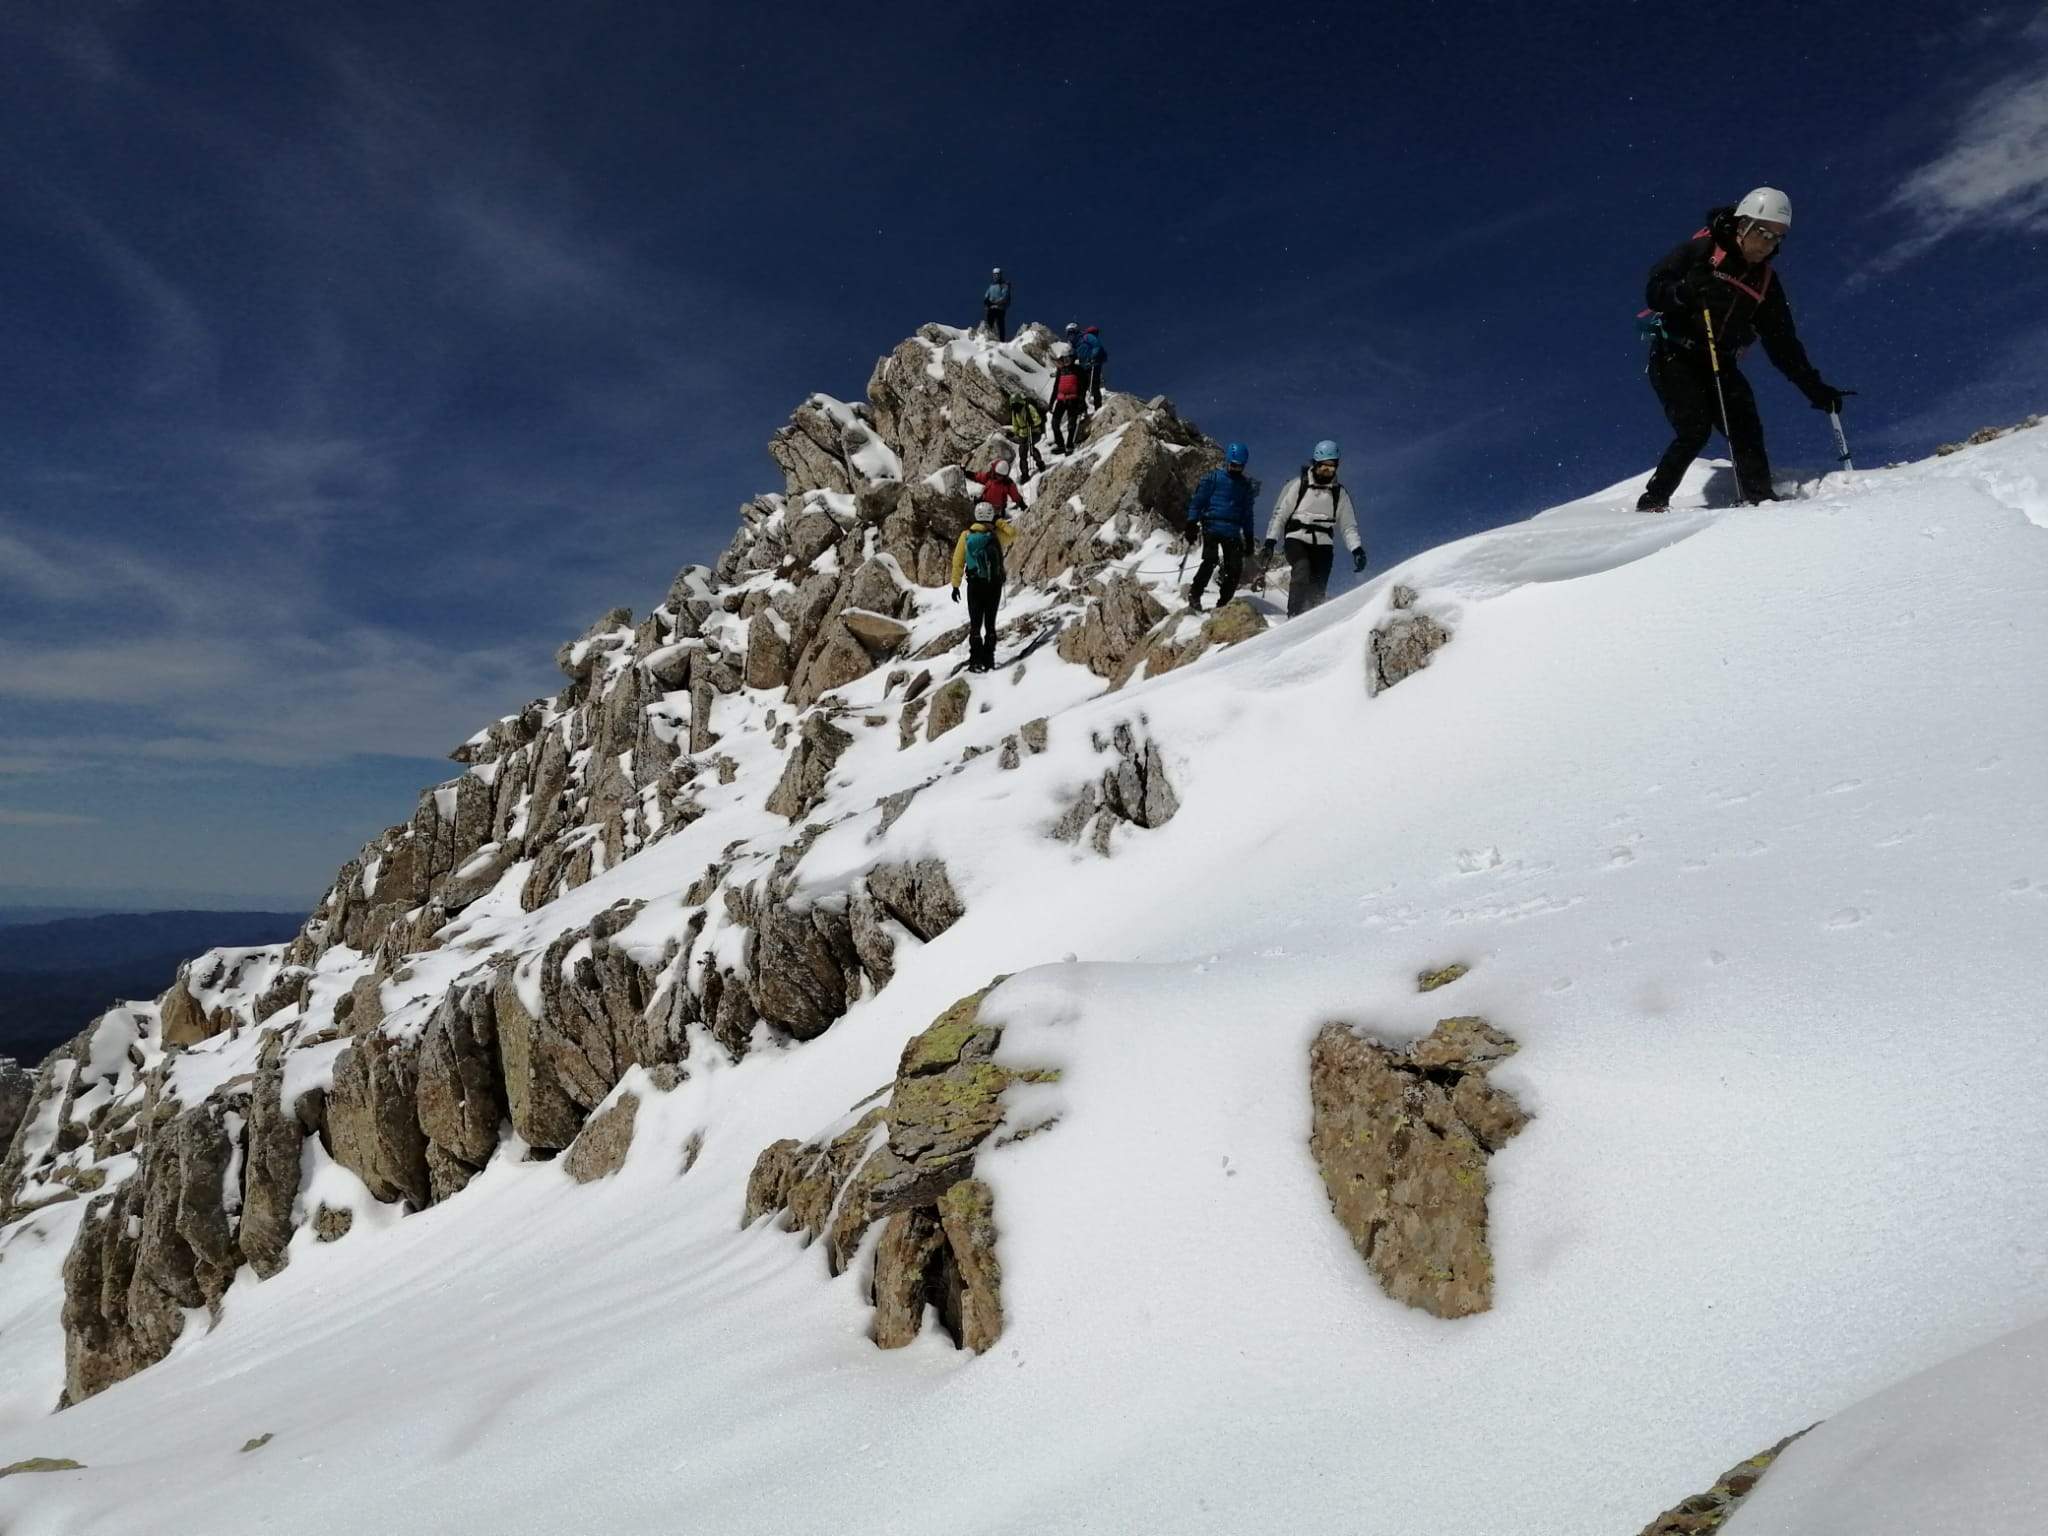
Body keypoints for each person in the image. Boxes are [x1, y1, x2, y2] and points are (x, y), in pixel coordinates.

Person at [1636, 187, 1851, 512]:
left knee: (1745, 426)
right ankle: (1653, 502)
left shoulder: (1764, 282)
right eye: (1764, 233)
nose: (1769, 245)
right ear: (1743, 225)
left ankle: (1758, 501)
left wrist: (1815, 388)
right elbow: (1655, 287)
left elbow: (1783, 345)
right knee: (1695, 427)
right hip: (1675, 354)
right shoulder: (1703, 249)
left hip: (1719, 362)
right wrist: (1683, 292)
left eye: (1778, 238)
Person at [1262, 439, 1364, 617]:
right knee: (1302, 569)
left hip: (1323, 545)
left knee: (1318, 587)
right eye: (1324, 467)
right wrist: (1270, 542)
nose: (1327, 471)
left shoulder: (1339, 494)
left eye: (1332, 467)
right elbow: (1280, 515)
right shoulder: (1299, 485)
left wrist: (1357, 550)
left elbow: (1348, 526)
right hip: (1297, 538)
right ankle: (1293, 616)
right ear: (1315, 464)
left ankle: (1311, 622)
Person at [1183, 442, 1258, 610]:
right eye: (1233, 465)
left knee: (1235, 568)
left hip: (1232, 530)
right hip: (1211, 525)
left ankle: (1224, 603)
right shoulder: (1213, 478)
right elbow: (1197, 502)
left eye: (1239, 466)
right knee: (1210, 560)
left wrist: (1249, 537)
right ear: (1228, 462)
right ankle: (1195, 594)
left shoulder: (1245, 487)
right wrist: (1191, 523)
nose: (1236, 469)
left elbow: (1247, 514)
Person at [950, 503, 1016, 672]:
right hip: (993, 585)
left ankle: (975, 661)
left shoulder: (966, 535)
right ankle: (989, 660)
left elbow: (958, 562)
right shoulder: (995, 536)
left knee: (975, 624)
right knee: (990, 624)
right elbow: (1013, 533)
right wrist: (999, 521)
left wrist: (955, 586)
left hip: (975, 585)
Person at [1048, 355, 1088, 454]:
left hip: (1074, 400)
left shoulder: (1078, 370)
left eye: (1068, 359)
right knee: (1054, 423)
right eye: (1064, 359)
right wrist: (1051, 403)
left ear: (1072, 359)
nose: (1066, 361)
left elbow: (1084, 385)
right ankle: (1060, 445)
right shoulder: (1060, 371)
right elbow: (1056, 388)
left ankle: (1070, 445)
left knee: (1071, 424)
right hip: (1061, 400)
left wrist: (1081, 400)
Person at [1006, 392, 1047, 478]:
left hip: (1034, 432)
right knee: (1023, 453)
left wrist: (1031, 422)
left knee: (1029, 447)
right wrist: (1016, 433)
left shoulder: (1028, 407)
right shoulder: (1015, 412)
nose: (1015, 407)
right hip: (1023, 434)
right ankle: (1025, 473)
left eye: (1015, 404)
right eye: (1013, 405)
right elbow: (1015, 425)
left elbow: (1038, 420)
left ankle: (1039, 464)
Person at [1072, 324, 1109, 409]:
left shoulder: (1087, 337)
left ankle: (1097, 407)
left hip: (1093, 365)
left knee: (1093, 386)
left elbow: (1097, 346)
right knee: (1083, 388)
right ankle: (1084, 409)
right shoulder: (1078, 342)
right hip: (1086, 365)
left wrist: (1092, 357)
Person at [982, 267, 1012, 342]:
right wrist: (987, 302)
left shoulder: (1004, 285)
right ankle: (989, 337)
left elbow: (1004, 297)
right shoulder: (991, 286)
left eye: (998, 275)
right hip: (991, 308)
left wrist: (995, 303)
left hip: (1000, 308)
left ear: (1000, 275)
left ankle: (1001, 340)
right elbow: (986, 296)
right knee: (990, 323)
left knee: (1000, 324)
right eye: (995, 275)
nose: (996, 277)